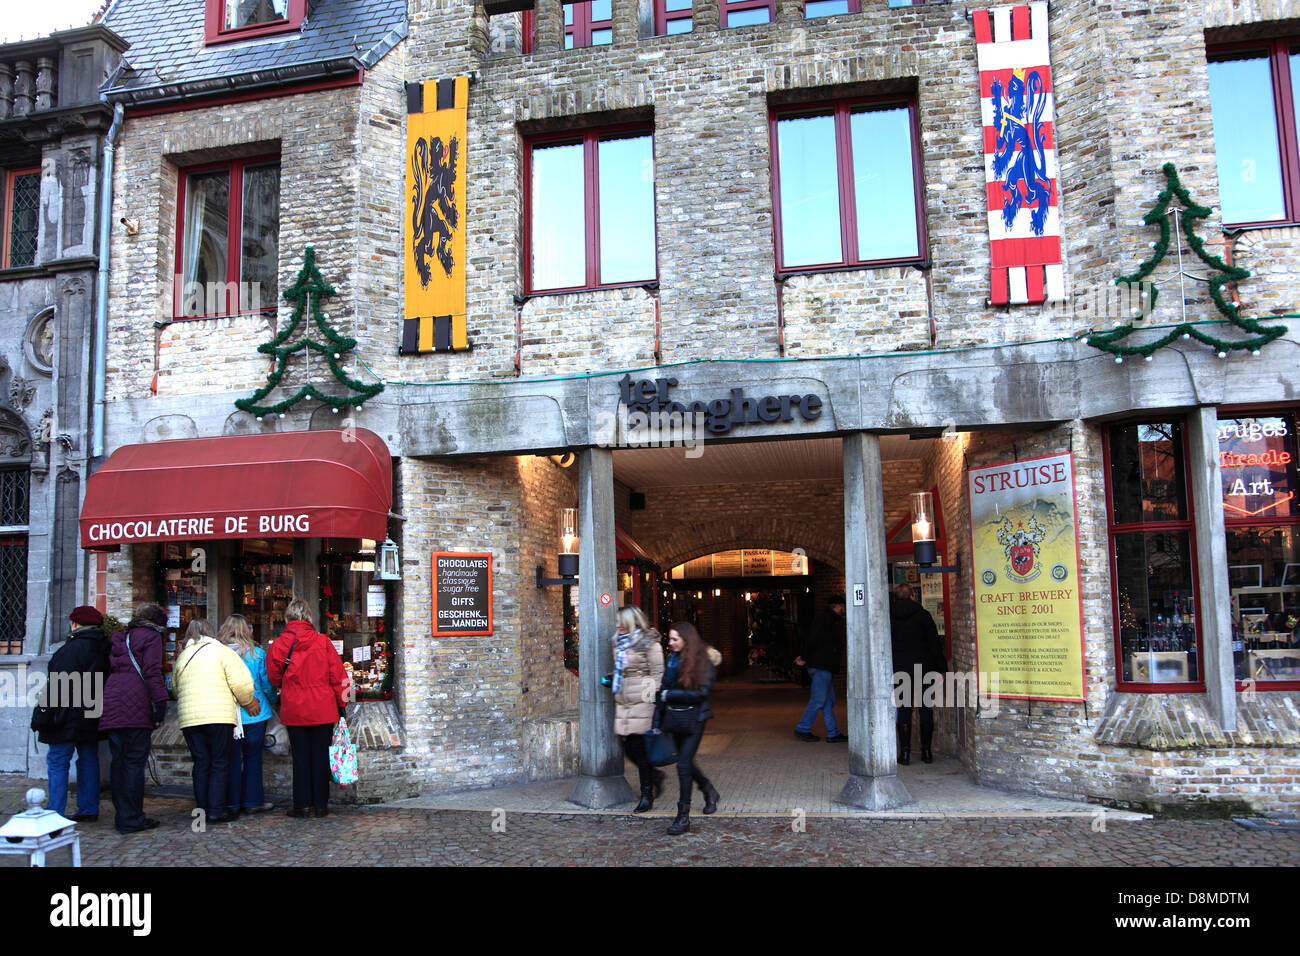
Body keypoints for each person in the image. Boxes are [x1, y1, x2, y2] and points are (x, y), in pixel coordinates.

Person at [173, 618, 259, 824]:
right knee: (220, 762)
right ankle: (216, 809)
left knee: (201, 762)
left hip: (190, 718)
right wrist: (249, 703)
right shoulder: (222, 652)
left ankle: (201, 810)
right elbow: (241, 683)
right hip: (218, 715)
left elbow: (176, 688)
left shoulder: (183, 656)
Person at [267, 597, 346, 819]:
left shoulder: (279, 645)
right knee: (320, 756)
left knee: (301, 757)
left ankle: (302, 804)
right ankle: (321, 804)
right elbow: (338, 676)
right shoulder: (323, 642)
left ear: (288, 617)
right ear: (308, 616)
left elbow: (273, 678)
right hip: (323, 707)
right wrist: (342, 704)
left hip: (294, 708)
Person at [99, 602, 170, 834]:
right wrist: (160, 703)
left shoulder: (122, 638)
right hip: (135, 703)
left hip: (112, 700)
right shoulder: (151, 637)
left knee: (119, 762)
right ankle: (132, 817)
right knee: (133, 763)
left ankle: (123, 814)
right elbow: (152, 671)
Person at [35, 606, 110, 821]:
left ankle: (55, 811)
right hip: (91, 712)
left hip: (66, 715)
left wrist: (43, 715)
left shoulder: (70, 650)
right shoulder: (105, 648)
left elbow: (57, 687)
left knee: (58, 761)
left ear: (76, 624)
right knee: (88, 759)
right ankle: (88, 808)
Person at [657, 621, 720, 836]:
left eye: (675, 639)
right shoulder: (672, 659)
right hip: (675, 718)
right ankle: (708, 789)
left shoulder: (704, 660)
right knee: (686, 761)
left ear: (687, 639)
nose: (671, 642)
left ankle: (683, 817)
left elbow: (702, 693)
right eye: (670, 638)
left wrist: (670, 695)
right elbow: (663, 688)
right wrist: (659, 715)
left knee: (683, 764)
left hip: (695, 718)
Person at [609, 606, 665, 813]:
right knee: (628, 748)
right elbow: (619, 669)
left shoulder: (648, 642)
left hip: (641, 701)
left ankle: (646, 794)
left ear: (632, 622)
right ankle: (655, 776)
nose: (617, 626)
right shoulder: (618, 643)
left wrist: (649, 698)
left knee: (640, 750)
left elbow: (658, 672)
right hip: (623, 699)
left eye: (621, 622)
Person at [221, 614, 277, 815]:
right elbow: (265, 683)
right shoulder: (257, 654)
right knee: (253, 757)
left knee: (232, 758)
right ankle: (252, 800)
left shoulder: (219, 654)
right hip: (255, 713)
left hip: (228, 713)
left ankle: (232, 802)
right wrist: (272, 700)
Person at [890, 584, 946, 765]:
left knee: (904, 709)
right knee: (925, 708)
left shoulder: (889, 617)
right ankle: (926, 752)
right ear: (912, 596)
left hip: (901, 668)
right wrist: (941, 668)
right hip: (923, 668)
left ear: (896, 597)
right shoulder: (923, 616)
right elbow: (934, 644)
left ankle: (905, 753)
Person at [793, 594, 848, 743]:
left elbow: (811, 639)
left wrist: (805, 657)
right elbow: (812, 640)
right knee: (818, 700)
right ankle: (802, 728)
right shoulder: (826, 620)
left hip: (824, 665)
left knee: (827, 701)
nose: (843, 609)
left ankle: (833, 732)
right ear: (837, 606)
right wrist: (804, 658)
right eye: (842, 607)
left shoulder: (828, 620)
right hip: (821, 665)